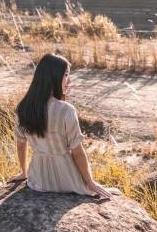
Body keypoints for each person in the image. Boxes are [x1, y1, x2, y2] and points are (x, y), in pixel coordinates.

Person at [11, 53, 111, 199]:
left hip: (38, 180)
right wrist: (90, 182)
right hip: (67, 180)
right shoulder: (66, 110)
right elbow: (77, 152)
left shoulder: (23, 108)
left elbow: (21, 144)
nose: (69, 81)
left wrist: (24, 172)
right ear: (54, 77)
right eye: (66, 75)